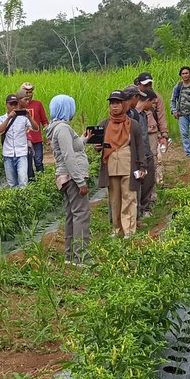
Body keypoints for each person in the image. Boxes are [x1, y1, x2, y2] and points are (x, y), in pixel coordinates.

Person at [46, 95, 90, 265]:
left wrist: (83, 139)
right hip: (72, 177)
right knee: (81, 216)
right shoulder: (63, 128)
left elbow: (72, 147)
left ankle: (70, 257)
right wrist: (80, 181)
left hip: (66, 177)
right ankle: (81, 257)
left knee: (72, 215)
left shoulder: (58, 128)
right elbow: (68, 156)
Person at [99, 89, 148, 238]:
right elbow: (99, 145)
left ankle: (129, 230)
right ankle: (116, 228)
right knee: (115, 199)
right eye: (112, 103)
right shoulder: (104, 124)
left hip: (129, 166)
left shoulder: (133, 125)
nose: (114, 106)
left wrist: (142, 166)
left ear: (124, 105)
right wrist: (97, 146)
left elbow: (140, 147)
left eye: (118, 103)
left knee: (129, 197)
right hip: (112, 166)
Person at [134, 73, 170, 184]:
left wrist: (164, 135)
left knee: (153, 158)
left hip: (151, 132)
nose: (148, 86)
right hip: (136, 133)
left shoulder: (156, 97)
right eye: (146, 84)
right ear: (139, 84)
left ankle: (155, 183)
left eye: (150, 83)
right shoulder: (133, 97)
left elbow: (161, 116)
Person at [131, 90, 159, 217]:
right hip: (138, 155)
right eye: (153, 103)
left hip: (147, 153)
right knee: (137, 184)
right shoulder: (133, 115)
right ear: (147, 101)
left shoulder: (144, 115)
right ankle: (137, 212)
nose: (154, 105)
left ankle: (144, 208)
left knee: (149, 181)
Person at [0, 93, 32, 188]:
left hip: (22, 153)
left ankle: (23, 201)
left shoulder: (23, 118)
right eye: (11, 104)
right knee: (11, 183)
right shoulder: (1, 118)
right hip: (8, 154)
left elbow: (35, 128)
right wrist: (8, 118)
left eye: (15, 104)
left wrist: (30, 117)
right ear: (6, 105)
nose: (13, 106)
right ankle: (14, 201)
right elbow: (0, 131)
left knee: (23, 180)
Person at [19, 82, 49, 177]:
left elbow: (44, 121)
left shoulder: (38, 104)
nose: (29, 94)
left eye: (30, 92)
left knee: (38, 161)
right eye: (26, 92)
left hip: (37, 139)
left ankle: (42, 182)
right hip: (24, 140)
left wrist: (49, 135)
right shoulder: (19, 106)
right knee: (28, 165)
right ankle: (31, 185)